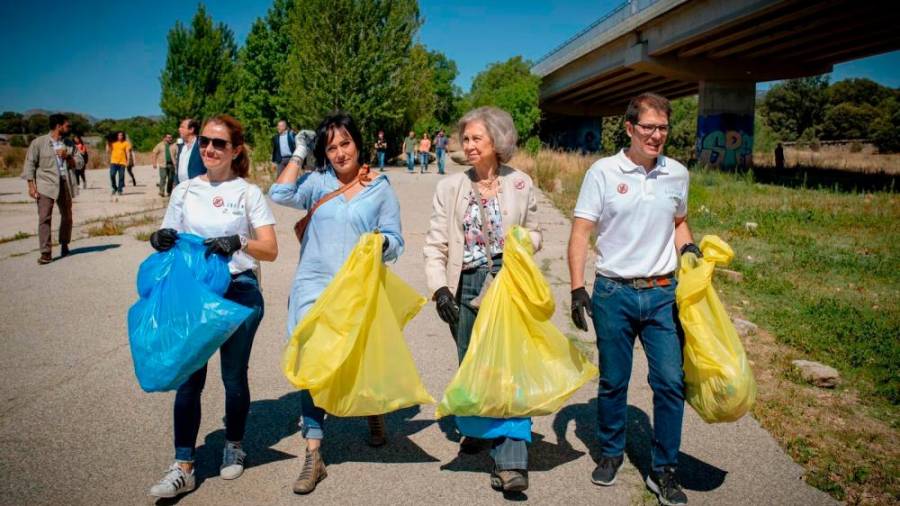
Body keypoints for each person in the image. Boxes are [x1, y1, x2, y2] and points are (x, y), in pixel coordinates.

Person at [567, 93, 696, 506]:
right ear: (629, 128)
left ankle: (664, 469)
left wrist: (689, 248)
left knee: (670, 383)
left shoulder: (677, 173)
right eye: (649, 128)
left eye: (662, 128)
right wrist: (575, 287)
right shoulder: (603, 172)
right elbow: (582, 232)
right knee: (614, 381)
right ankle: (609, 452)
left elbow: (679, 222)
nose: (657, 136)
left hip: (662, 293)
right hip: (614, 293)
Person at [269, 111, 404, 495]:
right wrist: (299, 151)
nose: (340, 152)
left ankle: (373, 410)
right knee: (312, 365)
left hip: (357, 290)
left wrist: (382, 243)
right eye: (331, 147)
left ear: (358, 144)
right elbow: (278, 193)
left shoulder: (379, 187)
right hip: (313, 287)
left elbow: (397, 239)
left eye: (345, 143)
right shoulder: (316, 183)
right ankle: (314, 451)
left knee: (357, 358)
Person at [146, 114, 278, 499]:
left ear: (236, 150)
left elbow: (270, 250)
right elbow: (171, 236)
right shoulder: (184, 191)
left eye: (219, 143)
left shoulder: (247, 192)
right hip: (194, 293)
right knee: (190, 376)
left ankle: (234, 443)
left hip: (238, 289)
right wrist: (159, 238)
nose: (209, 149)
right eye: (205, 141)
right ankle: (183, 465)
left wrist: (237, 243)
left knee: (233, 376)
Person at [423, 106, 542, 493]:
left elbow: (535, 231)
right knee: (472, 365)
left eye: (477, 138)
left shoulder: (520, 182)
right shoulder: (450, 188)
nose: (469, 145)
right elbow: (436, 242)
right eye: (466, 139)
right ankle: (476, 427)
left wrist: (524, 243)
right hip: (467, 284)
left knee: (507, 371)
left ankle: (510, 461)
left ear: (498, 141)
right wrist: (440, 288)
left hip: (508, 285)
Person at [22, 113, 76, 264]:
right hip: (46, 185)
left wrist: (68, 156)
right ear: (58, 126)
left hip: (65, 183)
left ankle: (64, 243)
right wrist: (31, 186)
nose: (69, 128)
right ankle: (45, 253)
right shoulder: (38, 143)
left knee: (67, 216)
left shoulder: (69, 144)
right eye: (67, 125)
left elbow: (79, 163)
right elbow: (30, 165)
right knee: (44, 218)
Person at [175, 117, 205, 184]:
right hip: (181, 188)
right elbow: (178, 168)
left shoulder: (202, 144)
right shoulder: (182, 147)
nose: (179, 129)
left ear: (191, 129)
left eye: (182, 127)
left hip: (197, 188)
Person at [107, 131, 132, 195]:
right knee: (112, 175)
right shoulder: (113, 143)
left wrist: (128, 160)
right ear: (117, 136)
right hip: (113, 162)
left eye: (121, 135)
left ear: (123, 136)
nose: (120, 136)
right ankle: (114, 187)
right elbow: (107, 151)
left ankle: (120, 189)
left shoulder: (126, 143)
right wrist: (108, 143)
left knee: (121, 176)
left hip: (122, 162)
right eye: (119, 135)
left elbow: (127, 152)